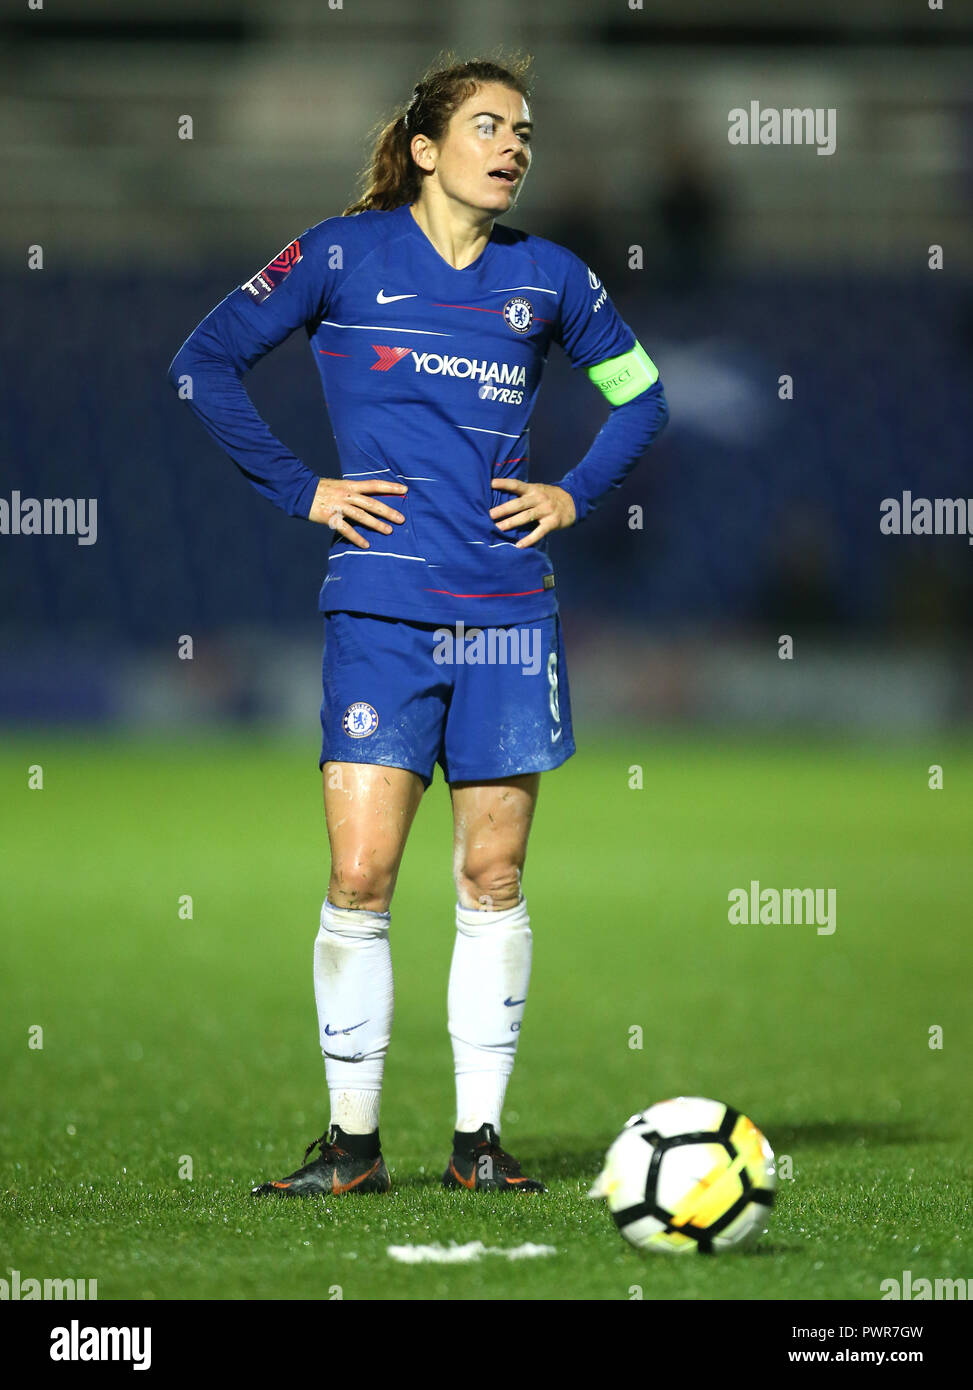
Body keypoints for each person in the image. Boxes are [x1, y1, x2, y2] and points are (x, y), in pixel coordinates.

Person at [167, 54, 669, 1198]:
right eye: (490, 125)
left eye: (526, 131)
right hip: (382, 609)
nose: (514, 146)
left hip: (506, 615)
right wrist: (304, 489)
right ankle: (350, 1147)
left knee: (491, 875)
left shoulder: (551, 278)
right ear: (429, 146)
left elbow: (643, 392)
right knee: (361, 873)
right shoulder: (340, 256)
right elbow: (204, 365)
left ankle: (478, 1147)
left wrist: (575, 491)